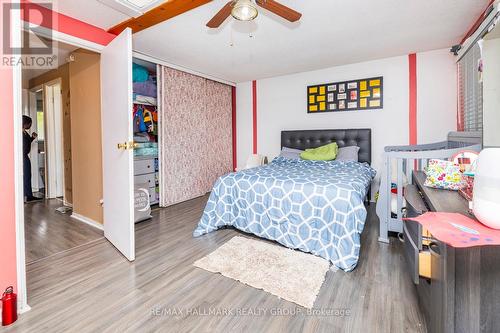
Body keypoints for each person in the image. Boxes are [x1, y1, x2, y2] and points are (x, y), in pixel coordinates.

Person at [23, 115, 41, 202]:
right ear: (25, 123)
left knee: (27, 175)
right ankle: (27, 196)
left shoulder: (24, 133)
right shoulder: (19, 133)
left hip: (25, 156)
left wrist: (32, 138)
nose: (30, 125)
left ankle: (28, 195)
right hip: (22, 157)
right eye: (29, 123)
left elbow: (26, 143)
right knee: (26, 176)